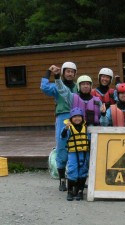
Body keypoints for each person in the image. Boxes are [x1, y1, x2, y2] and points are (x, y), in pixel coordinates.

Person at [40, 62, 77, 192]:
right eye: (68, 71)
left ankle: (76, 178)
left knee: (78, 146)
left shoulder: (78, 87)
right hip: (62, 117)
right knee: (62, 146)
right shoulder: (56, 86)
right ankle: (62, 179)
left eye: (72, 71)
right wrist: (48, 72)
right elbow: (44, 88)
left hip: (77, 118)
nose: (70, 74)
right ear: (63, 73)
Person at [60, 107, 90, 201]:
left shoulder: (86, 128)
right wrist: (65, 129)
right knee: (72, 171)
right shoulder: (69, 128)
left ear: (82, 118)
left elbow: (90, 139)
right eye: (75, 117)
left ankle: (80, 191)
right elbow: (63, 137)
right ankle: (70, 192)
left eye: (79, 117)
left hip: (84, 153)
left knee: (83, 171)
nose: (77, 119)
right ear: (71, 119)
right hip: (73, 153)